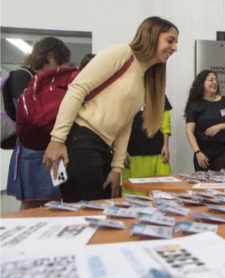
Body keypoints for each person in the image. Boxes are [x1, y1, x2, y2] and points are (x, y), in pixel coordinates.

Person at [43, 16, 179, 203]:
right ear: (152, 35)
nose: (174, 48)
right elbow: (77, 88)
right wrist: (57, 139)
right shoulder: (123, 53)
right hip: (81, 139)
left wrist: (116, 168)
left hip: (103, 147)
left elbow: (126, 124)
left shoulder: (144, 77)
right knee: (88, 211)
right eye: (170, 41)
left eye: (176, 42)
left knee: (102, 210)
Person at [6, 37, 71, 209]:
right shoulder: (22, 76)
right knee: (32, 205)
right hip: (32, 149)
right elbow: (30, 114)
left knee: (53, 202)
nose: (60, 69)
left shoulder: (39, 80)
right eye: (60, 62)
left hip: (45, 147)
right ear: (49, 55)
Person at [185, 70, 225, 171]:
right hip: (202, 151)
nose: (215, 82)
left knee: (222, 182)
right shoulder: (195, 104)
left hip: (223, 150)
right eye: (211, 80)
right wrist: (198, 152)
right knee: (202, 183)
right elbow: (189, 131)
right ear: (202, 83)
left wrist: (220, 126)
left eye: (216, 80)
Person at [123, 95, 172, 194]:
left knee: (163, 192)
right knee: (136, 194)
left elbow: (165, 122)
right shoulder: (128, 93)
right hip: (133, 153)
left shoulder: (159, 94)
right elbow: (121, 124)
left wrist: (166, 145)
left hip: (158, 151)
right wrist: (122, 150)